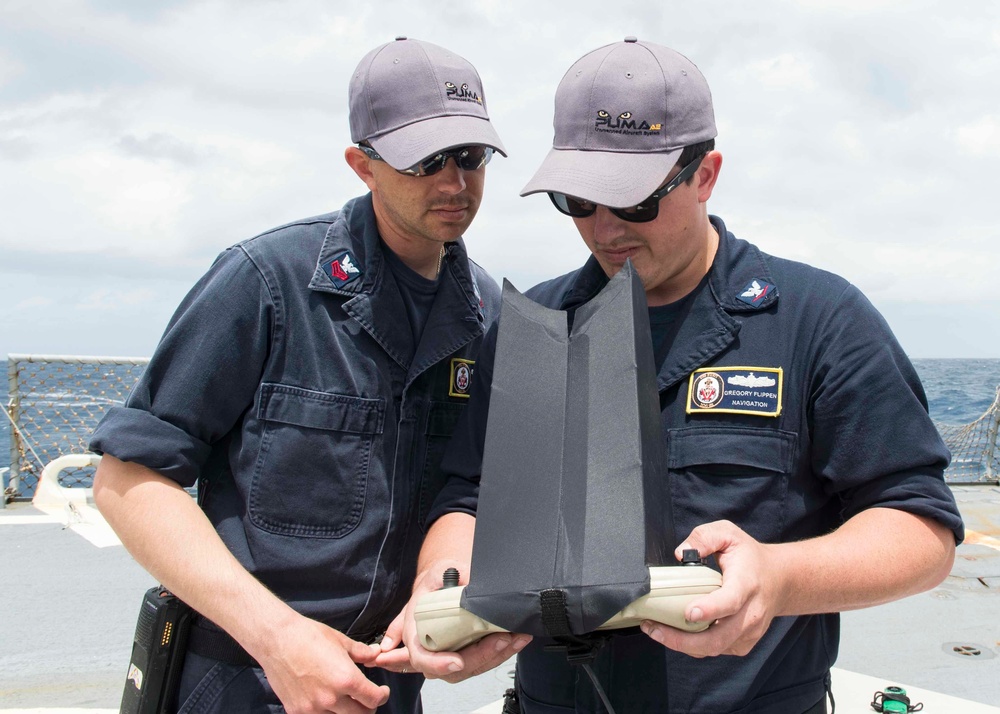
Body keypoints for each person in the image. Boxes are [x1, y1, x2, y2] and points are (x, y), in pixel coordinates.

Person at [392, 38, 964, 713]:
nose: (605, 230)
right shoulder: (535, 324)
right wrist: (442, 579)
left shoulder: (819, 321)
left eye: (634, 202)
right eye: (576, 200)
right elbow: (471, 495)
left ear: (706, 173)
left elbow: (919, 529)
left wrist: (779, 577)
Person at [90, 36, 523, 714]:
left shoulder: (490, 317)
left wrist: (443, 595)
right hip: (242, 681)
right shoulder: (265, 283)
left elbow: (466, 496)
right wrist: (280, 640)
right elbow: (128, 479)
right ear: (363, 165)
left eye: (470, 157)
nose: (454, 181)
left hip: (383, 689)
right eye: (424, 158)